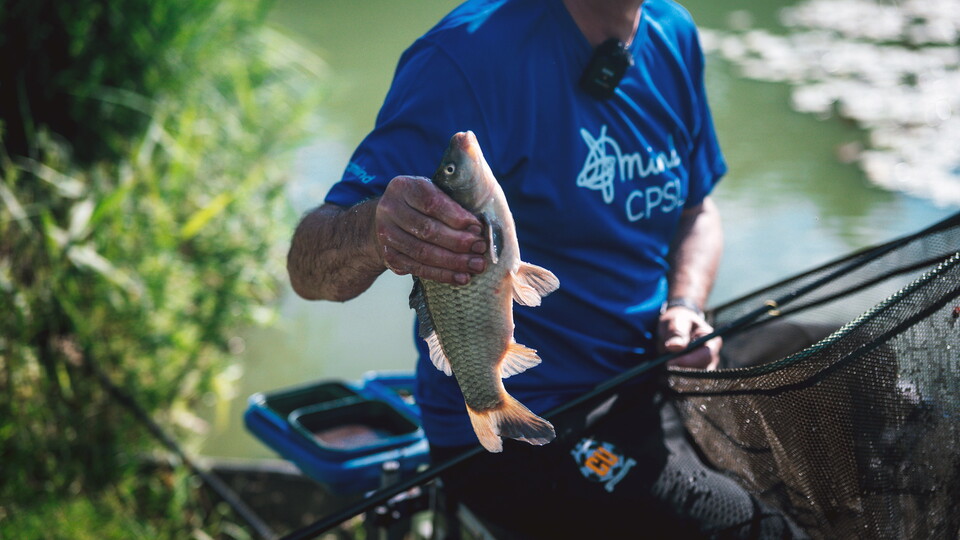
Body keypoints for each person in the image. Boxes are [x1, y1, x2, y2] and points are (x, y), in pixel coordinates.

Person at [288, 0, 807, 537]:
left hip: (650, 373)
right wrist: (376, 229)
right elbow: (308, 270)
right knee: (761, 532)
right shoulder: (466, 57)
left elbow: (697, 211)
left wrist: (685, 305)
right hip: (532, 429)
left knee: (838, 378)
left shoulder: (672, 31)